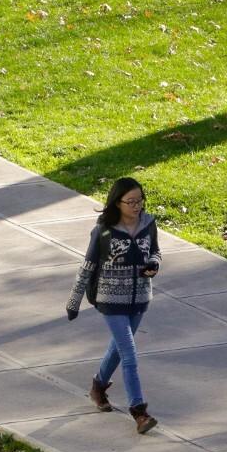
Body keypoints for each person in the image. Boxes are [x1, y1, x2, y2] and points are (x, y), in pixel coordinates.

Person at [66, 177, 162, 434]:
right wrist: (74, 301)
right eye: (130, 201)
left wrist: (154, 264)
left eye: (140, 200)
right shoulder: (104, 230)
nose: (136, 206)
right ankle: (139, 412)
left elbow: (155, 251)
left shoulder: (149, 223)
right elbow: (88, 265)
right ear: (117, 203)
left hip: (140, 298)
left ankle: (98, 387)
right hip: (111, 300)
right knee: (130, 355)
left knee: (119, 349)